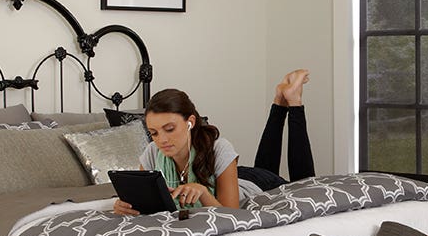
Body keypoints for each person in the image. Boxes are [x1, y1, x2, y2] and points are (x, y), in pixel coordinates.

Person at [113, 69, 315, 215]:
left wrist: (202, 193)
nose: (162, 140)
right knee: (265, 165)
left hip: (255, 182)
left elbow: (231, 215)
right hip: (229, 175)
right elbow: (148, 206)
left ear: (190, 122)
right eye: (154, 133)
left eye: (170, 129)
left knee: (306, 185)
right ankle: (279, 99)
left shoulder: (219, 148)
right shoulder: (151, 153)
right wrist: (126, 206)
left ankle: (293, 101)